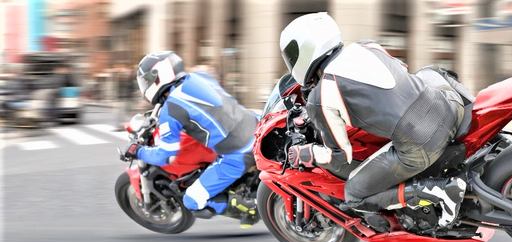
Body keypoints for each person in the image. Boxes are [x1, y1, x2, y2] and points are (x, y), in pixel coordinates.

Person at [280, 13, 467, 227]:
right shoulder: (366, 46)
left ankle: (442, 190)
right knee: (427, 73)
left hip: (423, 142)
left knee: (354, 194)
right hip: (449, 105)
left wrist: (308, 153)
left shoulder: (320, 97)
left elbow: (342, 156)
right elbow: (399, 77)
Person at [122, 51, 259, 226]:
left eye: (145, 81)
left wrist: (138, 151)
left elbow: (166, 156)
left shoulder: (171, 111)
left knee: (191, 201)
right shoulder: (200, 76)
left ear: (156, 78)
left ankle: (247, 208)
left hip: (238, 153)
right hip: (255, 124)